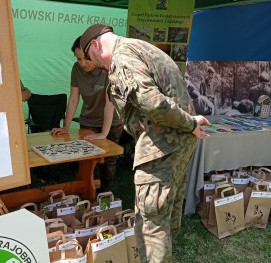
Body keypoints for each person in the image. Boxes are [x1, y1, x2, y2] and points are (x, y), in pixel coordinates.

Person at [80, 24, 210, 263]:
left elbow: (152, 103)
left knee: (151, 226)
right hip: (176, 143)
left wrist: (190, 123)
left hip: (162, 146)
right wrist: (189, 125)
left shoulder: (123, 57)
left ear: (96, 45)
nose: (92, 63)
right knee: (164, 215)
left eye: (89, 56)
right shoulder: (139, 48)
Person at [51, 36, 123, 192]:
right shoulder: (76, 69)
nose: (82, 63)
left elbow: (109, 103)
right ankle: (88, 192)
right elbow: (73, 100)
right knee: (88, 160)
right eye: (78, 59)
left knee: (108, 159)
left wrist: (104, 133)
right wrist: (66, 127)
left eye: (86, 59)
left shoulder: (107, 68)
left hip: (111, 122)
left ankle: (105, 193)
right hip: (88, 121)